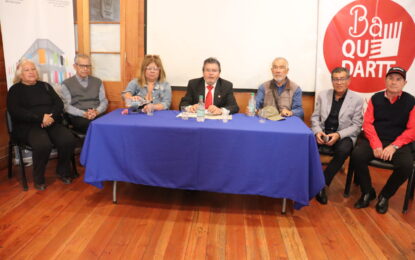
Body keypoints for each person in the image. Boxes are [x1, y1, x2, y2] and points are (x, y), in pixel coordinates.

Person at [352, 67, 415, 214]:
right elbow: (367, 124)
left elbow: (412, 129)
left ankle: (385, 196)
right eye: (391, 78)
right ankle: (367, 192)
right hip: (377, 139)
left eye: (398, 79)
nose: (394, 82)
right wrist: (376, 144)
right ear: (385, 80)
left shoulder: (411, 101)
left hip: (398, 142)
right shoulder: (376, 98)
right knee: (357, 155)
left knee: (406, 166)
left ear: (404, 83)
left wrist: (394, 146)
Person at [7, 59, 76, 190]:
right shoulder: (15, 90)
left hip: (50, 121)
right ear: (20, 74)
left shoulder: (45, 86)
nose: (31, 72)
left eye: (33, 69)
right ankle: (39, 178)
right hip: (28, 126)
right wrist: (40, 118)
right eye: (27, 70)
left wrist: (50, 117)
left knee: (68, 139)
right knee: (43, 144)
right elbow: (16, 111)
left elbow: (58, 104)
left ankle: (62, 171)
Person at [311, 67, 364, 204]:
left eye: (342, 79)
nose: (339, 82)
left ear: (348, 80)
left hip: (343, 135)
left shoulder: (357, 99)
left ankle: (322, 184)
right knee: (305, 144)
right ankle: (306, 180)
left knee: (343, 150)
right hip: (323, 132)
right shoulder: (323, 95)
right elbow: (315, 118)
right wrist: (317, 131)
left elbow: (357, 126)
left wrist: (338, 135)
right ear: (332, 81)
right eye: (335, 79)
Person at [61, 54, 108, 134]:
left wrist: (97, 111)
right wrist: (84, 114)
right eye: (82, 66)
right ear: (75, 66)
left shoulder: (98, 81)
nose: (85, 69)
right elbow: (66, 106)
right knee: (91, 125)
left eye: (88, 66)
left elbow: (104, 101)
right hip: (79, 115)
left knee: (108, 124)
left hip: (97, 113)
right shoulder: (66, 83)